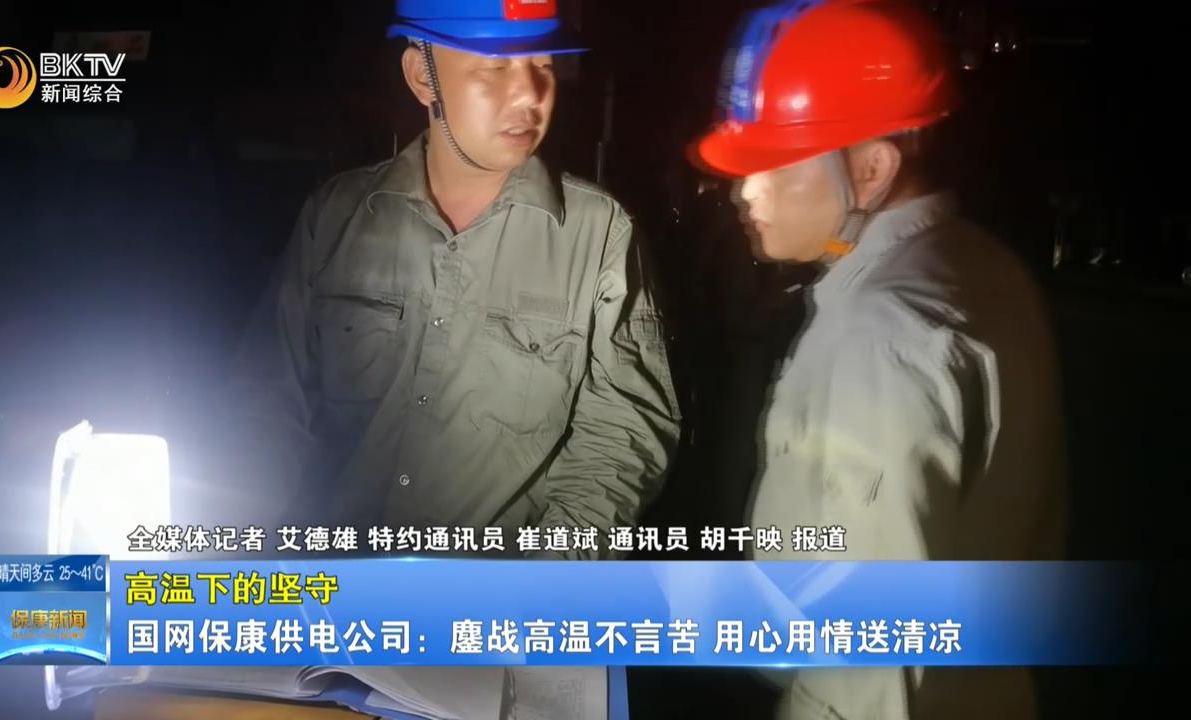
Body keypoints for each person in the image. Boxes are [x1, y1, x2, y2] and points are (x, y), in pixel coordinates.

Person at [688, 0, 1066, 717]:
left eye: (772, 162)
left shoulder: (879, 334)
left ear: (870, 168)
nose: (745, 190)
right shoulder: (985, 268)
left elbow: (870, 658)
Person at [196, 0, 679, 559]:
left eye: (544, 65)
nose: (530, 93)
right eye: (495, 66)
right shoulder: (335, 217)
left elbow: (619, 441)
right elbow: (266, 405)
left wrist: (543, 585)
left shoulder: (599, 237)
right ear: (422, 76)